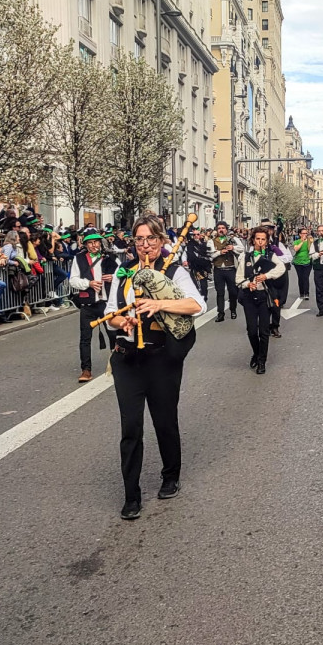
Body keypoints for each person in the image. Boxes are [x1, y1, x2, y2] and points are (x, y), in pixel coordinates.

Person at [104, 216, 205, 520]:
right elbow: (110, 313)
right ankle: (131, 495)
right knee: (130, 426)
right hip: (127, 358)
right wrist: (123, 320)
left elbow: (195, 305)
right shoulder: (123, 274)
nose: (144, 245)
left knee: (164, 420)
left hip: (161, 356)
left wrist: (159, 305)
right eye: (139, 239)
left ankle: (170, 476)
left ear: (162, 241)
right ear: (132, 243)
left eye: (151, 239)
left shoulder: (173, 271)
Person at [68, 227, 116, 383]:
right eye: (91, 243)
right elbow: (72, 280)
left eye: (96, 242)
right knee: (85, 338)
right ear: (86, 244)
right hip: (88, 303)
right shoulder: (79, 258)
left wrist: (113, 277)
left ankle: (116, 365)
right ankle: (86, 370)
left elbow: (124, 274)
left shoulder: (110, 256)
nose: (94, 245)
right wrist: (88, 283)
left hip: (106, 303)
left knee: (113, 334)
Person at [237, 225, 286, 374]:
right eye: (257, 239)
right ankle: (256, 353)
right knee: (252, 331)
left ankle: (261, 361)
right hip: (249, 297)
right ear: (253, 240)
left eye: (263, 239)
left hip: (265, 296)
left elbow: (281, 268)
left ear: (266, 241)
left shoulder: (270, 255)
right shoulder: (245, 257)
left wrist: (266, 276)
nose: (260, 242)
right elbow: (238, 278)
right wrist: (247, 284)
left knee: (264, 331)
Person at [209, 222, 243, 323]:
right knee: (220, 292)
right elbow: (210, 255)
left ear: (226, 230)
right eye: (219, 228)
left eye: (223, 228)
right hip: (218, 269)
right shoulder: (211, 241)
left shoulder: (234, 240)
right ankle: (220, 313)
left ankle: (233, 310)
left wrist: (233, 248)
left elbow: (242, 249)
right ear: (216, 230)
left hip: (231, 269)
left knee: (233, 292)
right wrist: (219, 252)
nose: (221, 230)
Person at [291, 227, 312, 301]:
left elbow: (311, 250)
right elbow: (296, 249)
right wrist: (302, 242)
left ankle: (307, 293)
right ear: (300, 234)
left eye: (306, 233)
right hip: (298, 262)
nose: (305, 235)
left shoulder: (309, 241)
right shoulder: (297, 241)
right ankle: (301, 293)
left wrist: (309, 242)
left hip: (307, 261)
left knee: (306, 277)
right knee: (300, 278)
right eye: (303, 233)